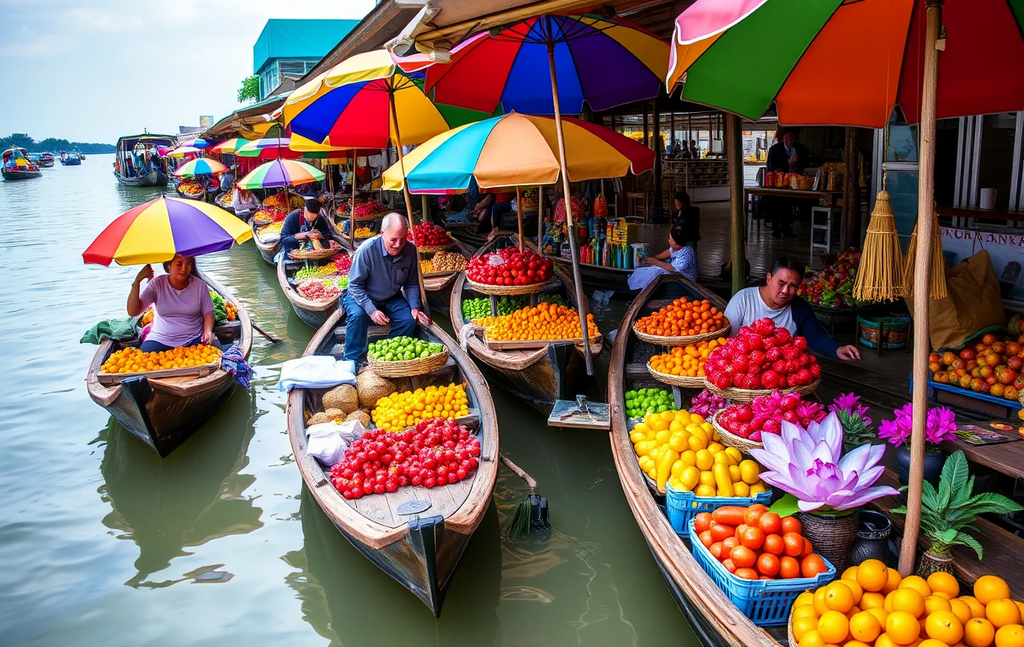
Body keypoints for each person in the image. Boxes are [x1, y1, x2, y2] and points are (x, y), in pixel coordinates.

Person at [724, 256, 861, 362]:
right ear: (768, 279)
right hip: (745, 371)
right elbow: (726, 340)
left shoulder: (799, 307)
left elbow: (814, 335)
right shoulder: (743, 299)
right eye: (781, 283)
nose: (785, 291)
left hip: (782, 374)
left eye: (792, 286)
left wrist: (836, 349)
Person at [342, 213, 430, 361]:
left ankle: (388, 352)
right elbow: (355, 285)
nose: (398, 245)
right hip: (362, 296)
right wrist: (371, 310)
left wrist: (415, 307)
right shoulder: (366, 250)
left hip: (391, 297)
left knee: (408, 320)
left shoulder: (411, 250)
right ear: (382, 233)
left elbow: (412, 283)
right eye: (393, 240)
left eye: (403, 240)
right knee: (358, 315)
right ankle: (351, 360)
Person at [126, 254, 218, 352]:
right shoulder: (157, 284)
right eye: (179, 264)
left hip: (193, 338)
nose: (184, 269)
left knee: (215, 351)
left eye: (188, 264)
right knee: (143, 357)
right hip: (161, 339)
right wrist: (137, 282)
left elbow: (208, 312)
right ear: (169, 266)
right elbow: (133, 312)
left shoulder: (200, 286)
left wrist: (207, 331)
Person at [765, 129, 811, 238]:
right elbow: (771, 165)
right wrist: (786, 163)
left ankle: (787, 228)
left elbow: (807, 162)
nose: (789, 140)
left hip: (794, 182)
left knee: (789, 205)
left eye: (791, 138)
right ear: (783, 138)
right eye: (787, 138)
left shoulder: (800, 148)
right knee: (777, 204)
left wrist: (798, 162)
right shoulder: (775, 149)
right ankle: (776, 228)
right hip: (779, 182)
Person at [627, 226, 698, 291]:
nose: (668, 241)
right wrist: (650, 258)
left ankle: (643, 292)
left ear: (675, 242)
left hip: (685, 282)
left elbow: (675, 270)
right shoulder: (677, 249)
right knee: (647, 270)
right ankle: (637, 290)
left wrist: (656, 262)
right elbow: (668, 253)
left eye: (670, 239)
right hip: (675, 277)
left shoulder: (687, 252)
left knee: (656, 272)